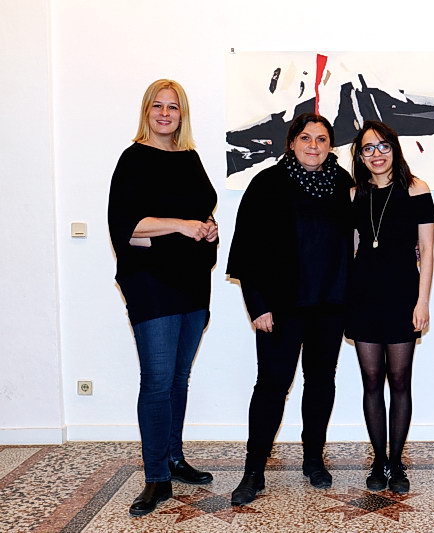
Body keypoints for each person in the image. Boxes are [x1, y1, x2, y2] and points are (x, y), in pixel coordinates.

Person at [226, 113, 353, 506]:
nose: (313, 145)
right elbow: (246, 247)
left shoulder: (344, 183)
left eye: (321, 139)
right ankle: (254, 470)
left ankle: (313, 459)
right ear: (292, 143)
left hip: (330, 305)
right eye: (305, 138)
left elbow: (364, 233)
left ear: (331, 145)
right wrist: (257, 305)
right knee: (271, 386)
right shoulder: (267, 183)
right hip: (281, 308)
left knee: (321, 382)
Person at [108, 79, 218, 517]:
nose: (165, 114)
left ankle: (174, 458)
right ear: (146, 111)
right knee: (156, 380)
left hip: (192, 282)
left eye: (173, 107)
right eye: (158, 106)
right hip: (151, 285)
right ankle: (155, 477)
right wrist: (180, 225)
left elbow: (202, 210)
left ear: (182, 114)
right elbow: (126, 227)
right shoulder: (133, 159)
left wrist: (206, 229)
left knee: (178, 379)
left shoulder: (190, 158)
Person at [345, 121, 434, 494]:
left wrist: (422, 301)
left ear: (394, 149)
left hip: (402, 296)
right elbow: (352, 248)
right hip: (363, 297)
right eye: (368, 148)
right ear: (360, 157)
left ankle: (396, 463)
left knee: (399, 380)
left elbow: (427, 250)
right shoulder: (353, 194)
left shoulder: (417, 189)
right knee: (371, 381)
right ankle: (378, 461)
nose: (376, 154)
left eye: (383, 146)